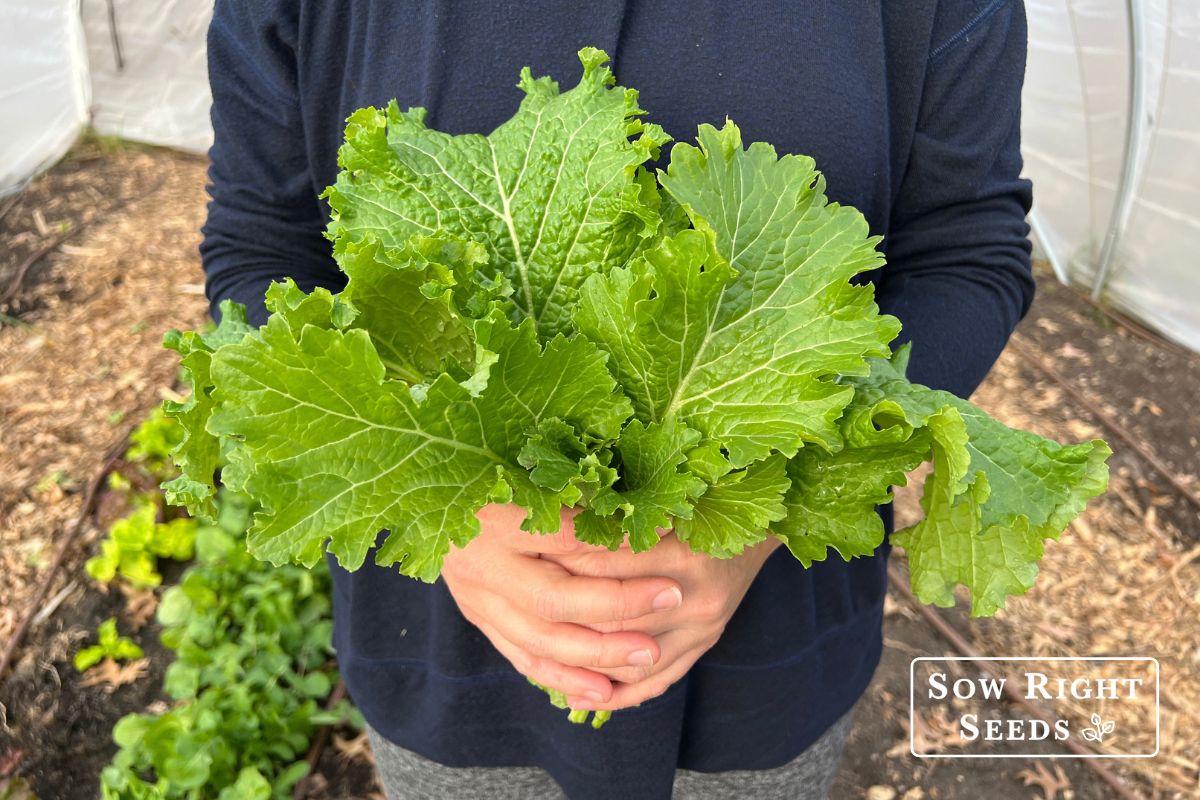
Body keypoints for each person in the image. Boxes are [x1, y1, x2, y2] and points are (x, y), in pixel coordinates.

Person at [201, 2, 1035, 798]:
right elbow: (263, 246)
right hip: (448, 655)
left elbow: (967, 250)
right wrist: (446, 502)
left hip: (761, 671)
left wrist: (766, 502)